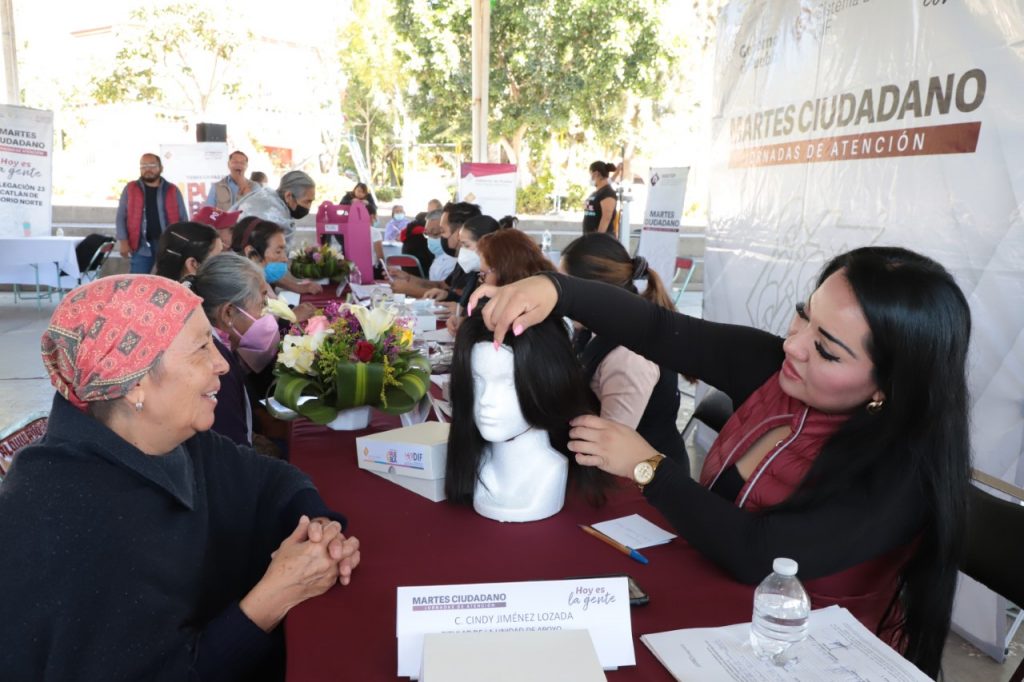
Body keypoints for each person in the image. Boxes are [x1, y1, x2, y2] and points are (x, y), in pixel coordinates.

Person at [470, 246, 971, 678]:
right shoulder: (774, 367)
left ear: (888, 386)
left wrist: (648, 466)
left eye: (825, 349)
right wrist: (555, 289)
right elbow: (659, 327)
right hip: (718, 615)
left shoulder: (903, 474)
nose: (793, 345)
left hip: (807, 657)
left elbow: (763, 554)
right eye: (805, 314)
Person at [0, 274, 360, 680]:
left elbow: (268, 479)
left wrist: (318, 527)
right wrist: (274, 596)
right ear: (135, 380)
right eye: (202, 348)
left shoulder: (167, 439)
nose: (222, 364)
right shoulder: (66, 523)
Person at [445, 311, 608, 509]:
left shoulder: (549, 472)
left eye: (508, 382)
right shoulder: (477, 464)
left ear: (548, 383)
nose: (486, 399)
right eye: (477, 380)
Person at [560, 233, 687, 469]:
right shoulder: (594, 328)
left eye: (565, 288)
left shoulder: (628, 356)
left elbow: (609, 446)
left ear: (592, 291)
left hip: (644, 482)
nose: (559, 299)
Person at [190, 253, 273, 446]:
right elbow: (232, 449)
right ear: (228, 312)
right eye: (261, 304)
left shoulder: (214, 343)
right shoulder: (218, 368)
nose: (267, 314)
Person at [444, 226, 554, 336]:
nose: (482, 281)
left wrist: (470, 329)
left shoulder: (527, 316)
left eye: (483, 274)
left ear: (505, 271)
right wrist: (465, 322)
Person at [116, 153, 189, 274]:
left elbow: (183, 219)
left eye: (152, 165)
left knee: (167, 281)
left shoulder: (172, 189)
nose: (147, 169)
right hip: (141, 246)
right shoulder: (130, 188)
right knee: (138, 283)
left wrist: (183, 244)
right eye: (143, 166)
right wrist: (123, 242)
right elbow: (120, 217)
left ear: (161, 168)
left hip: (168, 245)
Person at [231, 217, 321, 296]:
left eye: (283, 251)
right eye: (278, 252)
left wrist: (298, 287)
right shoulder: (240, 293)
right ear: (251, 253)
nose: (285, 259)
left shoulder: (260, 283)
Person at [232, 170, 316, 248]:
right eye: (307, 201)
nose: (309, 207)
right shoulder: (275, 219)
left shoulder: (264, 195)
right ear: (288, 196)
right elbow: (273, 257)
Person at [154, 221, 223, 283]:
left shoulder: (149, 290)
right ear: (192, 264)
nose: (226, 260)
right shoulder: (207, 295)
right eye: (219, 257)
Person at [582, 161, 618, 235]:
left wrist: (598, 239)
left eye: (590, 174)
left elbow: (606, 218)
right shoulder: (597, 192)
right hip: (589, 238)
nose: (590, 178)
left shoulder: (607, 193)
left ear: (596, 174)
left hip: (602, 241)